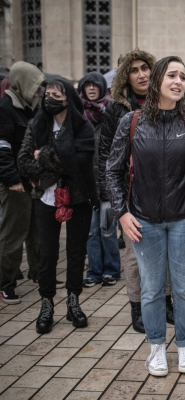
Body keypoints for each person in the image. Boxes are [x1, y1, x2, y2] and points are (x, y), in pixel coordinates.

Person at [106, 55, 185, 376]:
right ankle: (156, 348)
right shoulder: (132, 122)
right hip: (143, 221)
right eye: (172, 75)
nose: (179, 81)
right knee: (151, 288)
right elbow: (112, 171)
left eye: (182, 76)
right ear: (157, 81)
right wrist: (122, 214)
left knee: (184, 289)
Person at [98, 49, 174, 333]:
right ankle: (137, 306)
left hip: (166, 192)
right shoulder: (117, 109)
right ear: (125, 77)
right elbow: (106, 156)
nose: (141, 74)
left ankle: (166, 303)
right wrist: (111, 199)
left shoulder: (167, 102)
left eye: (146, 68)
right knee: (134, 255)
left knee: (165, 252)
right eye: (134, 70)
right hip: (132, 195)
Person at [18, 78, 98, 334]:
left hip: (78, 196)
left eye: (56, 94)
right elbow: (23, 162)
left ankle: (73, 302)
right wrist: (60, 157)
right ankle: (46, 304)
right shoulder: (36, 124)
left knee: (76, 252)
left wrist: (44, 156)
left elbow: (80, 161)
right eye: (47, 94)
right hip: (45, 197)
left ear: (69, 99)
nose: (50, 98)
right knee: (47, 253)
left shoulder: (82, 126)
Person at [0, 62, 45, 304]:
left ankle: (38, 273)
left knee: (36, 232)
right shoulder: (6, 109)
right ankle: (6, 284)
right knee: (13, 235)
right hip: (14, 184)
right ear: (23, 83)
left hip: (32, 180)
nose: (38, 90)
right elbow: (2, 148)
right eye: (35, 85)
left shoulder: (31, 108)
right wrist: (11, 179)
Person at [78, 72, 121, 288]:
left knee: (108, 228)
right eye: (87, 86)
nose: (91, 89)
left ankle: (112, 269)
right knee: (91, 230)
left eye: (95, 85)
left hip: (106, 181)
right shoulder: (79, 115)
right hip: (87, 182)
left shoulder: (109, 113)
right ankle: (94, 271)